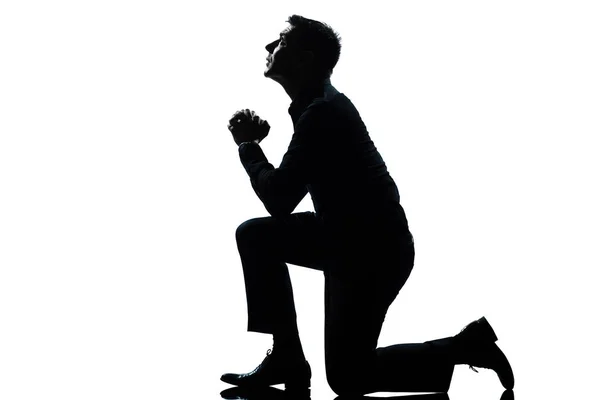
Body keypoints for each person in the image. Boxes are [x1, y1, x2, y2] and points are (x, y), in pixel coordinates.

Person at [221, 15, 514, 396]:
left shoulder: (322, 113)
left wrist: (247, 147)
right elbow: (291, 187)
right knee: (255, 236)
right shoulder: (315, 109)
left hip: (372, 252)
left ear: (304, 59)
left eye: (280, 41)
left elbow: (279, 198)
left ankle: (463, 347)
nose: (268, 47)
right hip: (344, 239)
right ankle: (287, 356)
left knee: (348, 378)